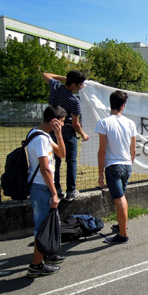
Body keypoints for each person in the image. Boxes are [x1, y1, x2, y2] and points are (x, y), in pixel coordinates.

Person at [26, 105, 67, 278]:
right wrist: (54, 193)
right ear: (54, 121)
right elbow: (46, 169)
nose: (63, 125)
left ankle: (48, 253)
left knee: (49, 223)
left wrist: (58, 135)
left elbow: (62, 154)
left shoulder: (40, 134)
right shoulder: (41, 139)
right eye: (62, 123)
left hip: (42, 187)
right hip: (42, 188)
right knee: (42, 228)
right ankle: (35, 266)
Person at [95, 90, 137, 243]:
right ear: (123, 106)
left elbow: (102, 151)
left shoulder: (103, 122)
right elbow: (134, 149)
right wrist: (129, 163)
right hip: (126, 165)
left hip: (113, 166)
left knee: (119, 199)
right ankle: (121, 225)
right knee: (121, 198)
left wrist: (100, 173)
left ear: (110, 104)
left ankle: (123, 234)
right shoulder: (130, 123)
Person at [42, 71, 90, 202]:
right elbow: (75, 124)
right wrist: (83, 134)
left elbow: (45, 74)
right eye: (80, 85)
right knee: (71, 161)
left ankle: (56, 189)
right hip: (68, 131)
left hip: (52, 130)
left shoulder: (56, 86)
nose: (82, 87)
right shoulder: (74, 101)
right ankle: (70, 191)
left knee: (55, 161)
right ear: (74, 84)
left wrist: (65, 79)